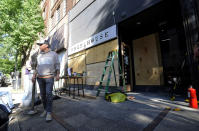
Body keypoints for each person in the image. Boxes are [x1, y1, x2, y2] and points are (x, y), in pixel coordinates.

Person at [32, 40, 60, 122]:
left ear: (46, 45)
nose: (39, 46)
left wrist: (58, 74)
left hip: (49, 77)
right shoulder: (39, 56)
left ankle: (49, 112)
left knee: (48, 94)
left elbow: (57, 64)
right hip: (40, 78)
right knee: (42, 95)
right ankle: (45, 109)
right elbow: (37, 67)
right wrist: (34, 76)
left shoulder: (53, 54)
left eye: (41, 44)